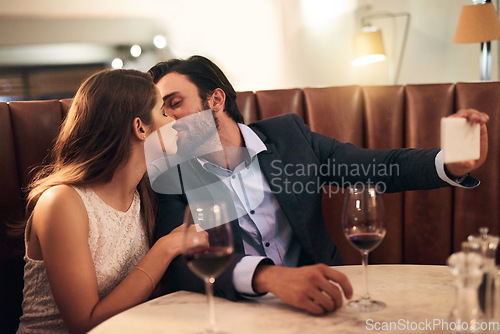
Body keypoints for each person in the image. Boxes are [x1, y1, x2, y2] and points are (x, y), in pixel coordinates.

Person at [148, 55, 489, 315]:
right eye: (162, 111)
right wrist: (266, 278)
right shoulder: (176, 177)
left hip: (329, 300)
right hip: (238, 311)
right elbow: (179, 266)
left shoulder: (289, 137)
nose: (168, 120)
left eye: (175, 103)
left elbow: (379, 167)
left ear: (216, 101)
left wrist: (448, 162)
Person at [16, 69, 199, 334]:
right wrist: (166, 247)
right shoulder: (63, 202)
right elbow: (84, 324)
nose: (173, 118)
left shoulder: (145, 195)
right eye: (163, 111)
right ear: (140, 128)